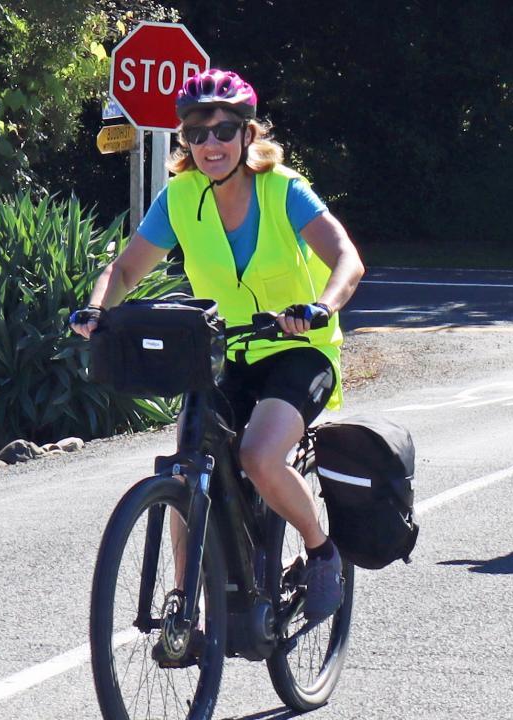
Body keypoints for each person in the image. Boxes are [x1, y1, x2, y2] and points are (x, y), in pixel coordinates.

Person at [70, 69, 364, 627]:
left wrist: (321, 306)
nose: (210, 144)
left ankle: (321, 550)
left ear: (248, 135)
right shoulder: (180, 197)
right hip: (221, 351)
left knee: (258, 455)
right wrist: (96, 309)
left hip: (298, 349)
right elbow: (129, 266)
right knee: (188, 469)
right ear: (183, 140)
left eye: (225, 130)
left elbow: (345, 257)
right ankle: (185, 606)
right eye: (196, 133)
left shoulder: (283, 189)